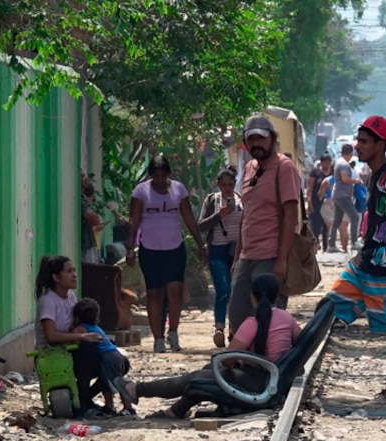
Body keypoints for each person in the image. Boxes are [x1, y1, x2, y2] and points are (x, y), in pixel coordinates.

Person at [325, 116, 386, 404]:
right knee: (331, 306)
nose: (358, 146)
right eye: (358, 140)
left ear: (380, 144)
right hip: (366, 261)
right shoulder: (375, 176)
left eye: (364, 141)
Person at [113, 274, 301, 419]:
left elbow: (227, 360)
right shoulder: (287, 318)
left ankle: (138, 390)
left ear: (252, 296)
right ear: (277, 296)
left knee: (198, 378)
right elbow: (299, 341)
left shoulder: (253, 322)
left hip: (257, 382)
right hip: (271, 379)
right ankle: (172, 409)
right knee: (205, 373)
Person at [125, 155, 205, 353]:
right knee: (154, 293)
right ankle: (158, 338)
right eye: (156, 176)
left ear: (168, 174)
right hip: (150, 249)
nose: (159, 180)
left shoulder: (179, 189)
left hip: (174, 248)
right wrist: (129, 248)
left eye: (163, 176)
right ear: (151, 176)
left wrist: (201, 244)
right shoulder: (141, 191)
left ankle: (173, 332)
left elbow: (188, 218)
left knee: (175, 291)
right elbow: (133, 220)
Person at [229, 115, 301, 333]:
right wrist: (237, 257)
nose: (256, 144)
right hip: (247, 256)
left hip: (270, 256)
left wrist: (281, 260)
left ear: (272, 138)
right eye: (251, 140)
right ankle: (244, 362)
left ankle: (270, 364)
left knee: (268, 319)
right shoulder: (250, 167)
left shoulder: (284, 167)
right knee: (237, 315)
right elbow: (246, 214)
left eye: (261, 138)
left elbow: (290, 215)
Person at [34, 255, 106, 415]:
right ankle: (81, 404)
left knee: (110, 359)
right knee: (91, 354)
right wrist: (81, 337)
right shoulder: (48, 301)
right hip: (51, 355)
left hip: (68, 349)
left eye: (74, 270)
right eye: (69, 271)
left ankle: (85, 398)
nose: (75, 275)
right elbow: (50, 337)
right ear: (56, 277)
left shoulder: (71, 297)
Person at [197, 169, 243, 348]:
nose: (227, 189)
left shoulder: (242, 201)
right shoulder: (212, 201)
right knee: (223, 289)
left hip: (237, 251)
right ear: (218, 184)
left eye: (230, 185)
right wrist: (219, 215)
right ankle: (219, 328)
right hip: (217, 251)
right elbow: (201, 225)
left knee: (236, 291)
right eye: (223, 185)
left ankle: (234, 329)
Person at [72, 298, 136, 416]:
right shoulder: (97, 328)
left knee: (115, 382)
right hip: (116, 355)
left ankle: (128, 407)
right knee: (106, 382)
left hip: (107, 357)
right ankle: (109, 406)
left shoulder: (81, 329)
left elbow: (75, 342)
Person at [327, 144, 362, 252]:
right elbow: (345, 179)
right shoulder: (344, 164)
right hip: (343, 195)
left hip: (338, 194)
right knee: (355, 216)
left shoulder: (339, 162)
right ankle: (354, 242)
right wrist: (356, 181)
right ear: (351, 153)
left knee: (337, 219)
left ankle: (331, 244)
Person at [308, 155, 333, 252]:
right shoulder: (315, 172)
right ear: (321, 162)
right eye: (324, 162)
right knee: (316, 225)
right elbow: (310, 187)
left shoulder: (331, 173)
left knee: (327, 225)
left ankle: (326, 247)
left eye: (328, 163)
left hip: (329, 204)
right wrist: (309, 202)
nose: (326, 165)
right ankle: (315, 245)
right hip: (316, 202)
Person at [81, 174, 104, 264]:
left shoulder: (83, 200)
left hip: (87, 243)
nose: (86, 178)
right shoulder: (80, 201)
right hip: (85, 244)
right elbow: (95, 220)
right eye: (82, 176)